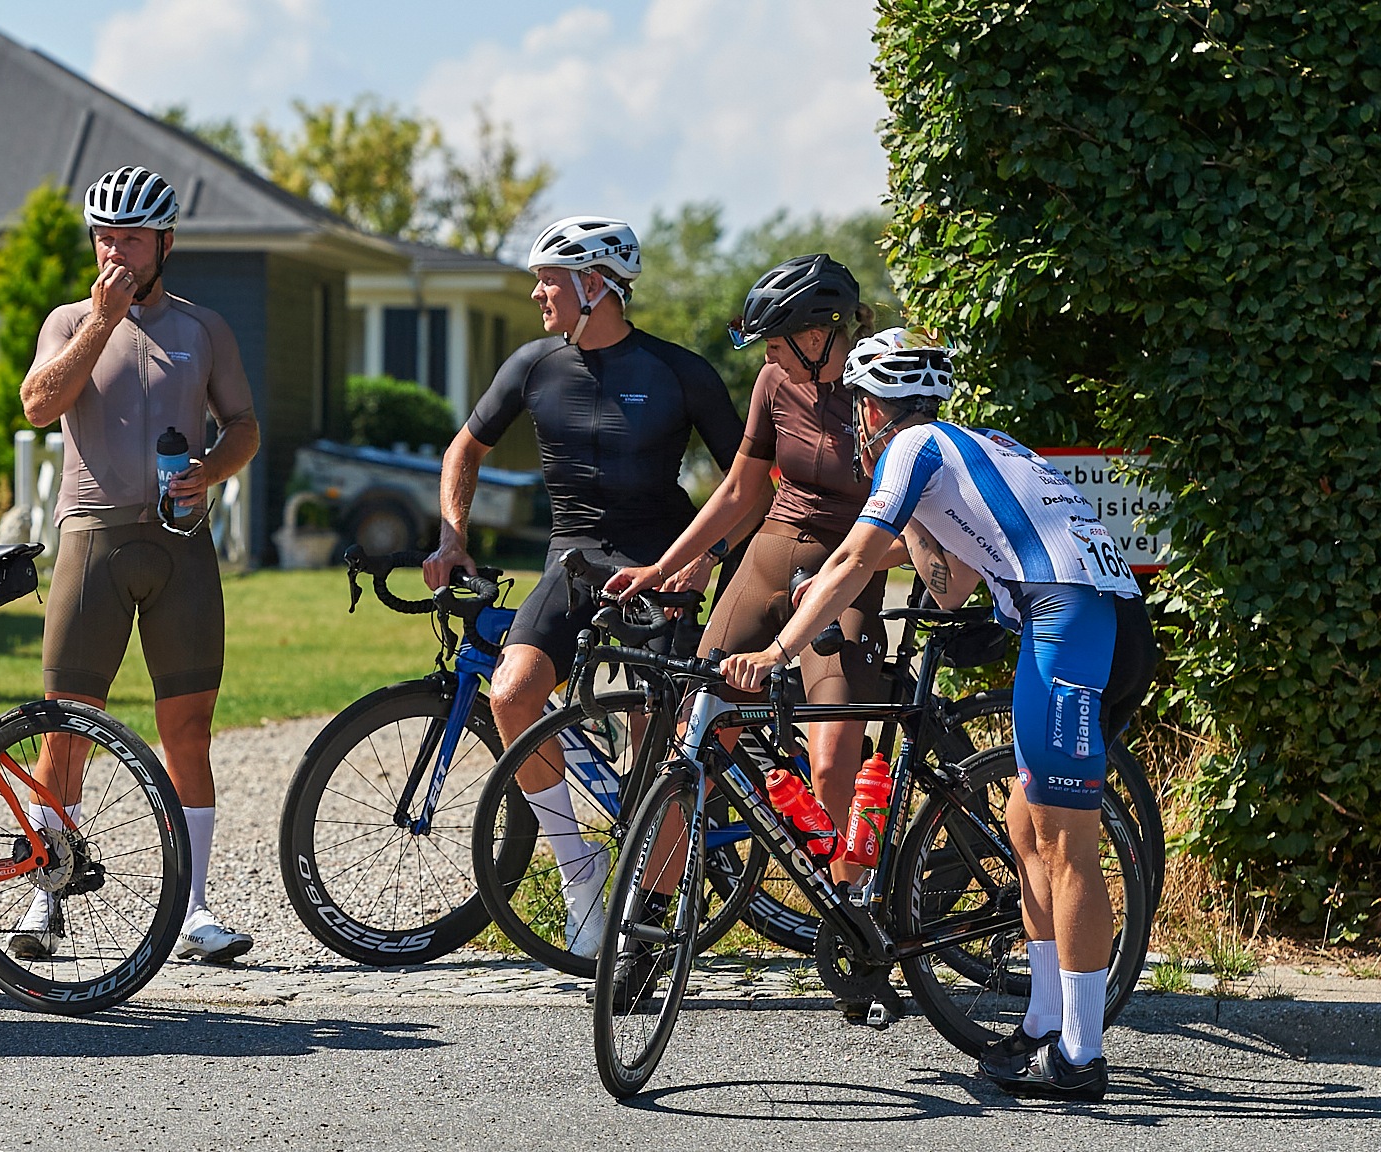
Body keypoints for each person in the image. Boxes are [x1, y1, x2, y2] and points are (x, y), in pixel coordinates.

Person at [719, 328, 1156, 1102]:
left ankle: (1082, 1054)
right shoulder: (974, 443)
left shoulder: (912, 445)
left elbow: (856, 559)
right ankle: (1045, 1021)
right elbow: (946, 584)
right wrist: (892, 537)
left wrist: (778, 651)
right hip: (1098, 622)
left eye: (857, 405)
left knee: (1063, 843)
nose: (855, 421)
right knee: (1026, 826)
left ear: (872, 406)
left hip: (1070, 625)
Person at [423, 215, 743, 959]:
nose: (538, 293)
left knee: (657, 733)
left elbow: (749, 480)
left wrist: (710, 553)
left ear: (595, 287)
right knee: (512, 693)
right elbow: (463, 449)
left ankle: (651, 909)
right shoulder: (534, 364)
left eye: (550, 280)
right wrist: (451, 534)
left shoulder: (677, 370)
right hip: (572, 562)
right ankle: (579, 871)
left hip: (663, 563)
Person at [18, 166, 261, 963]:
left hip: (181, 542)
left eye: (130, 238)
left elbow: (244, 425)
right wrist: (102, 321)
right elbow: (39, 404)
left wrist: (213, 469)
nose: (114, 250)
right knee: (64, 731)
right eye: (104, 236)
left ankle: (193, 913)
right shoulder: (67, 319)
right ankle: (44, 900)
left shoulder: (204, 328)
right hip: (94, 537)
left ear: (164, 243)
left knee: (187, 733)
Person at [608, 254, 886, 893]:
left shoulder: (877, 394)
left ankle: (853, 922)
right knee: (695, 737)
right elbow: (740, 491)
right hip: (773, 552)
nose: (767, 357)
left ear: (817, 338)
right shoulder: (772, 385)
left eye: (776, 342)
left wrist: (862, 564)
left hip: (848, 569)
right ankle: (649, 922)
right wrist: (665, 565)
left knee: (833, 760)